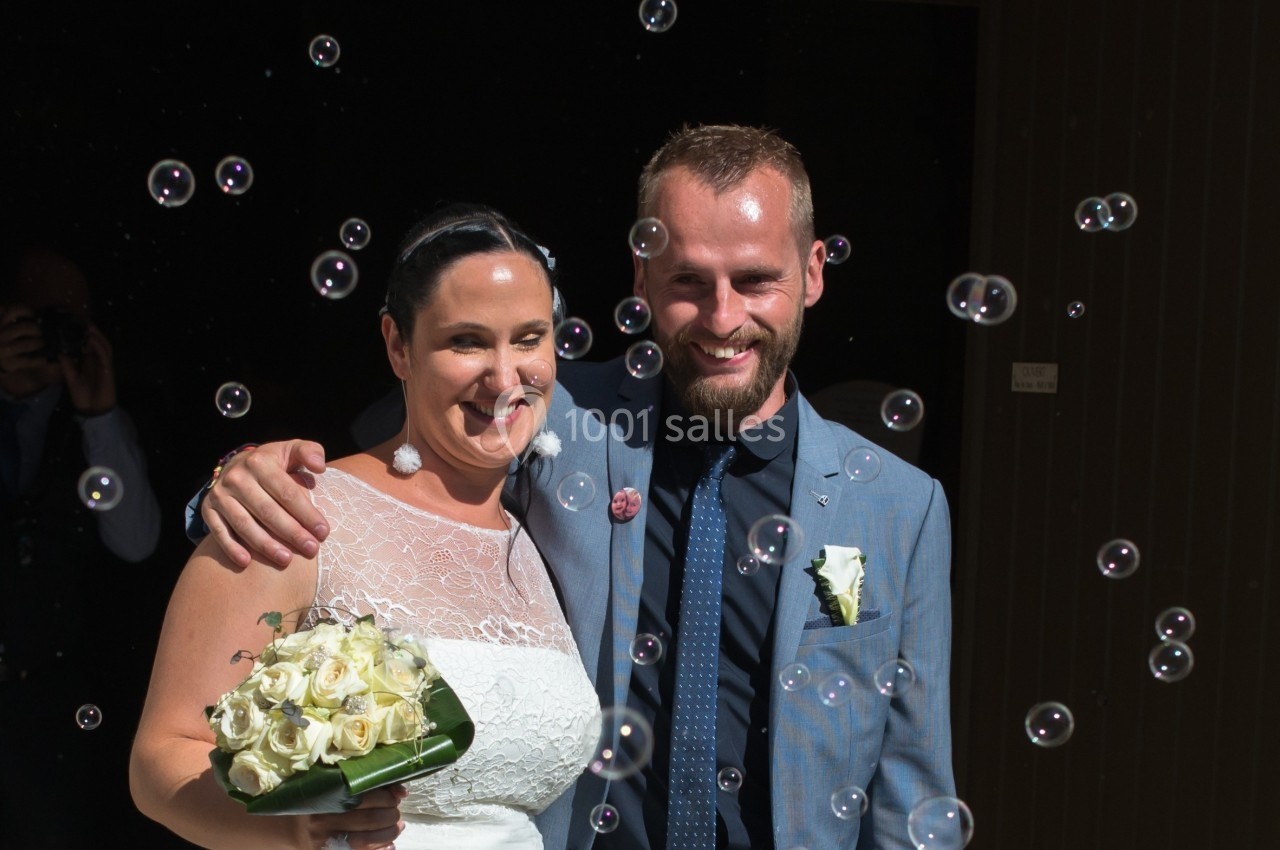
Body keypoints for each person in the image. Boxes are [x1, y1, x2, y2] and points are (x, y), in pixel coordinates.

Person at [191, 125, 955, 850]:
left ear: (814, 272)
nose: (724, 318)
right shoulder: (549, 411)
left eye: (756, 280)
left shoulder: (900, 507)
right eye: (689, 280)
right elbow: (393, 465)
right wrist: (240, 480)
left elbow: (911, 789)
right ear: (642, 277)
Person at [130, 204, 602, 850]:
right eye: (466, 341)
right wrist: (298, 823)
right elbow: (163, 757)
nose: (503, 378)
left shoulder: (546, 533)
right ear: (397, 346)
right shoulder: (294, 511)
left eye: (528, 338)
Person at [1, 244, 163, 847]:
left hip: (47, 708)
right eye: (38, 316)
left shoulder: (94, 428)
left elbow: (137, 541)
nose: (52, 333)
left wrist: (100, 413)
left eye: (70, 320)